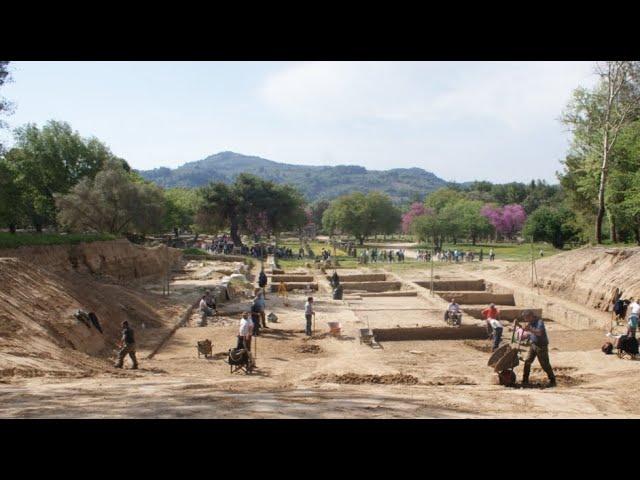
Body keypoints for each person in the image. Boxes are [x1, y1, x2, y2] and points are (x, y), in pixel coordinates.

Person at [521, 310, 556, 387]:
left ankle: (552, 380)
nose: (525, 320)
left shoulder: (539, 322)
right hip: (533, 345)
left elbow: (539, 332)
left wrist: (529, 329)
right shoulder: (531, 322)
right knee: (527, 361)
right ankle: (525, 380)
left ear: (530, 316)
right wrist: (525, 336)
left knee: (545, 364)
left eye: (526, 318)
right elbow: (532, 333)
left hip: (541, 346)